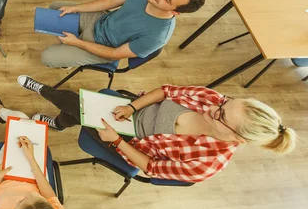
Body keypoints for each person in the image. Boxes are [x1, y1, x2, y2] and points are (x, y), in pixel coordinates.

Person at [15, 76, 296, 183]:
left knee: (77, 106)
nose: (215, 104)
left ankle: (49, 99)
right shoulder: (214, 99)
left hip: (130, 142)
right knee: (79, 106)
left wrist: (116, 142)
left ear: (236, 137)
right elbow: (166, 91)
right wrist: (133, 107)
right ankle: (54, 116)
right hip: (131, 110)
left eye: (221, 113)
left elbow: (150, 167)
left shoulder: (206, 164)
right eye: (229, 101)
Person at [41, 0, 207, 68]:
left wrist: (78, 43)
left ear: (175, 12)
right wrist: (76, 8)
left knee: (47, 56)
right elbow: (110, 2)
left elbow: (114, 55)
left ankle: (68, 55)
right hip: (101, 20)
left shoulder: (157, 36)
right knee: (56, 8)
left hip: (103, 49)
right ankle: (70, 43)